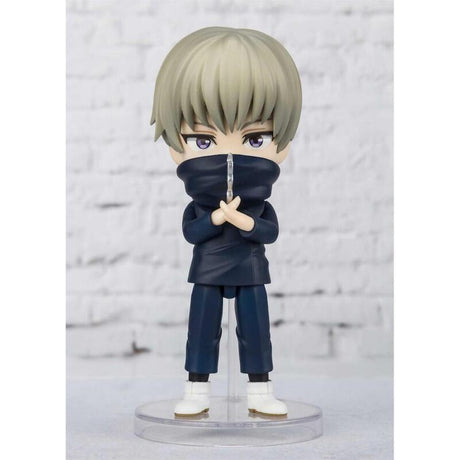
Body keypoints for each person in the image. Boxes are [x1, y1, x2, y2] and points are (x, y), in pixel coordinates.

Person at [151, 26, 302, 416]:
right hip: (208, 269)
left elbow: (269, 231)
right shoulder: (200, 205)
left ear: (282, 147)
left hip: (250, 269)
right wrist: (219, 216)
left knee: (256, 331)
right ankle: (196, 390)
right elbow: (192, 232)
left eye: (255, 139)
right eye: (203, 141)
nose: (229, 155)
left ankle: (260, 390)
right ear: (176, 148)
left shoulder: (259, 205)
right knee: (201, 330)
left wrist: (245, 222)